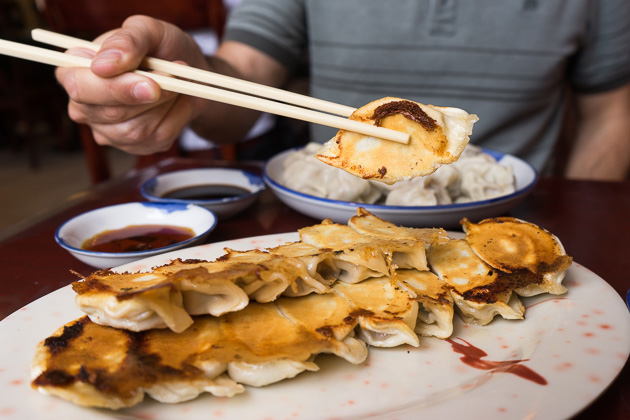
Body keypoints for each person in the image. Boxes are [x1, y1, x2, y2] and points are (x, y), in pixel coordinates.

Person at [55, 0, 630, 180]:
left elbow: (613, 113)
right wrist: (187, 83)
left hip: (517, 210)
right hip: (329, 212)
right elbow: (245, 79)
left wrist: (567, 223)